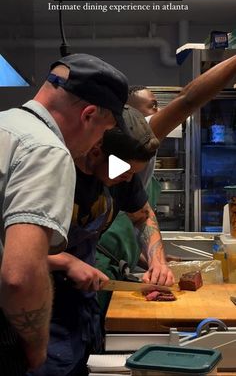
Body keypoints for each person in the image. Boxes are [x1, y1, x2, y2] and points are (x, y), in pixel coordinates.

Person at [0, 52, 129, 375]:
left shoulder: (6, 126)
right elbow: (21, 275)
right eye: (105, 131)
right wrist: (35, 344)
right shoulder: (48, 151)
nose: (97, 143)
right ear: (88, 115)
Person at [28, 105, 174, 376]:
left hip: (83, 308)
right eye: (125, 172)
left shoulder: (122, 171)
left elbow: (142, 216)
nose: (129, 179)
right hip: (36, 313)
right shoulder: (51, 171)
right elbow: (10, 251)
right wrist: (64, 261)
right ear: (96, 151)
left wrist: (157, 260)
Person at [96, 54, 236, 295]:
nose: (159, 111)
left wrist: (156, 260)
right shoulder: (136, 132)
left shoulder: (131, 169)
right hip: (94, 272)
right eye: (152, 107)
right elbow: (187, 100)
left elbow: (140, 215)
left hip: (112, 266)